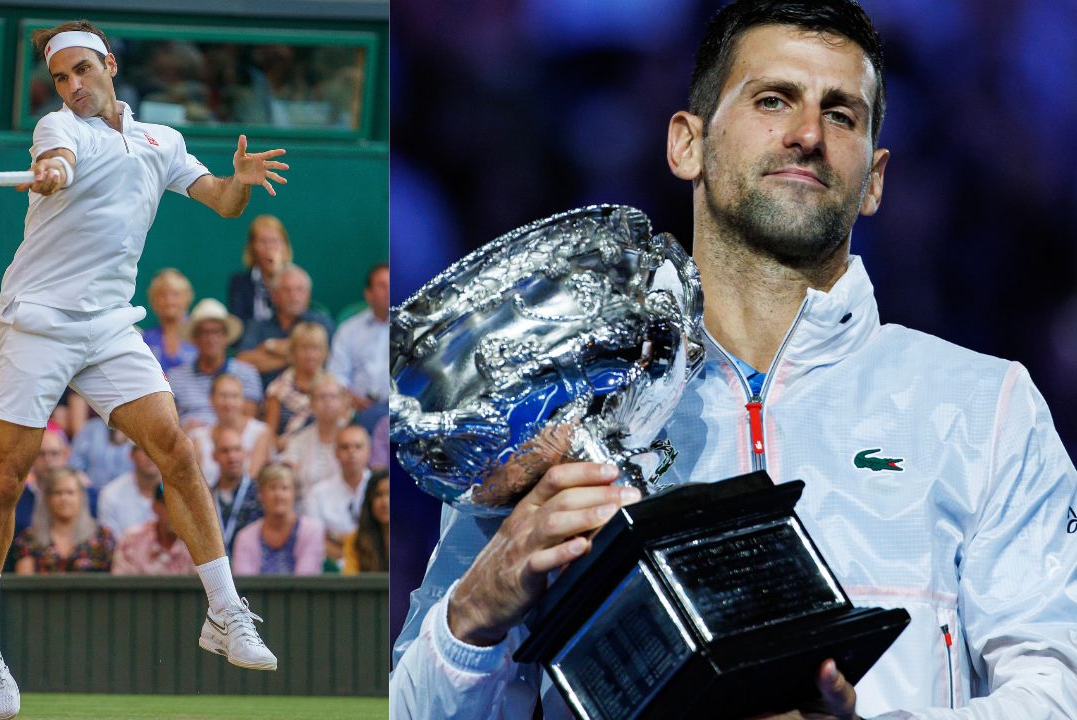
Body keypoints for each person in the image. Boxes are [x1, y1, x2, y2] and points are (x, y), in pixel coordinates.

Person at [390, 1, 1077, 718]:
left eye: (841, 115)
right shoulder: (548, 419)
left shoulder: (985, 407)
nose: (808, 133)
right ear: (686, 143)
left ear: (874, 180)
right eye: (773, 99)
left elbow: (1058, 694)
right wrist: (474, 613)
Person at [0, 19, 287, 719]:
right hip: (38, 320)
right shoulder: (59, 128)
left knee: (176, 450)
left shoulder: (162, 141)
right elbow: (59, 161)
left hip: (110, 325)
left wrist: (240, 181)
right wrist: (52, 170)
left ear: (110, 64)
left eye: (83, 70)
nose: (73, 86)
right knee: (6, 478)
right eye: (61, 77)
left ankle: (225, 612)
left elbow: (223, 204)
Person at [167, 298, 263, 425]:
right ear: (194, 337)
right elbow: (171, 423)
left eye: (217, 332)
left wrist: (210, 433)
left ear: (226, 337)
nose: (211, 338)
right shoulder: (175, 377)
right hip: (189, 441)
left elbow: (249, 423)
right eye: (204, 332)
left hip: (235, 442)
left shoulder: (247, 373)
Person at [234, 264, 334, 384]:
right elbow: (242, 363)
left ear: (308, 295)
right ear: (274, 296)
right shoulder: (258, 325)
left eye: (300, 290)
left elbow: (329, 358)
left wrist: (269, 347)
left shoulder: (320, 322)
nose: (294, 296)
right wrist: (297, 355)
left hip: (311, 396)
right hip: (264, 396)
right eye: (287, 290)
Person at [12, 467, 115, 574]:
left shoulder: (103, 537)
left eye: (70, 492)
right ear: (47, 498)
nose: (64, 498)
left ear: (81, 496)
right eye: (57, 493)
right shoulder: (29, 538)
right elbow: (24, 582)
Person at [231, 463, 325, 576]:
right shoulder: (244, 537)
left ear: (294, 494)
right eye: (272, 488)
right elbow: (244, 583)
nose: (278, 495)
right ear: (260, 494)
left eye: (285, 488)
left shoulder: (312, 531)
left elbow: (306, 581)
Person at [326, 263, 389, 432]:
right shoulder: (349, 329)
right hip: (355, 409)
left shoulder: (411, 327)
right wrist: (351, 398)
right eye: (382, 286)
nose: (389, 291)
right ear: (368, 294)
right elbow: (336, 375)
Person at [187, 373, 275, 486]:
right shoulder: (198, 437)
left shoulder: (261, 432)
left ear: (243, 400)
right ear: (211, 400)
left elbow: (253, 477)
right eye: (223, 396)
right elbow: (195, 481)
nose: (228, 403)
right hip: (207, 500)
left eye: (234, 396)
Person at [304, 424, 370, 563]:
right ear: (335, 452)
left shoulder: (381, 489)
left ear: (368, 452)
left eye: (358, 446)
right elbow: (315, 541)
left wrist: (335, 537)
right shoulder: (318, 493)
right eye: (345, 447)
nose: (351, 452)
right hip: (333, 567)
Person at [279, 373, 351, 498]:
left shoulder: (356, 438)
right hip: (305, 507)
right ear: (311, 404)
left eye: (333, 397)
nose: (328, 402)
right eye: (322, 397)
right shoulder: (297, 440)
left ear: (343, 402)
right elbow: (288, 481)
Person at [263, 323, 329, 440]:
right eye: (304, 348)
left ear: (324, 352)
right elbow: (269, 434)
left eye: (316, 348)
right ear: (293, 352)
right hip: (285, 452)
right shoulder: (277, 388)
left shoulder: (331, 388)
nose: (310, 355)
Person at [112, 483, 196, 575]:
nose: (176, 513)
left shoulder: (197, 544)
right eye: (169, 505)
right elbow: (120, 585)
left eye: (182, 506)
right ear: (155, 507)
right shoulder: (131, 540)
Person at [227, 214, 292, 324]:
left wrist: (277, 278)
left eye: (274, 241)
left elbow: (292, 316)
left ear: (285, 245)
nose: (269, 247)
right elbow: (238, 321)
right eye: (263, 241)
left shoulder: (295, 280)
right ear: (252, 247)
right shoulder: (239, 281)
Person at [209, 426, 265, 553]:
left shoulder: (260, 494)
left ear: (246, 453)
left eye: (237, 449)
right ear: (214, 456)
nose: (232, 456)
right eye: (225, 451)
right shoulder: (207, 497)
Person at [97, 444, 159, 538]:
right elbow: (111, 543)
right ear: (131, 454)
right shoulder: (111, 494)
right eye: (144, 449)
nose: (150, 456)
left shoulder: (179, 494)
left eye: (158, 449)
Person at [141, 268, 197, 371]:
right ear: (153, 301)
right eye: (162, 295)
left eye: (175, 294)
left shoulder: (200, 332)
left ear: (187, 298)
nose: (169, 301)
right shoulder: (146, 339)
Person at [342, 469, 387, 575]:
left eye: (391, 494)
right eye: (378, 495)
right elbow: (350, 582)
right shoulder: (354, 540)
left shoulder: (412, 538)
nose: (385, 502)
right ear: (369, 501)